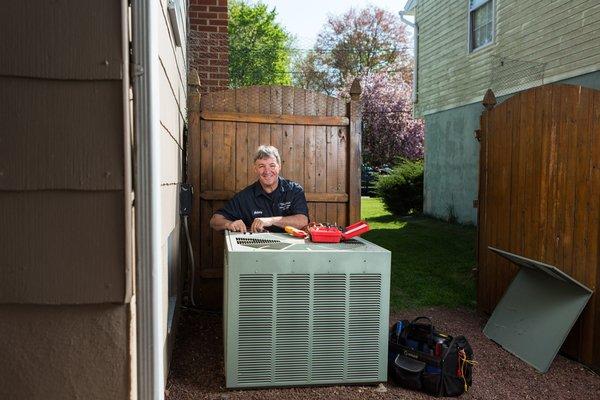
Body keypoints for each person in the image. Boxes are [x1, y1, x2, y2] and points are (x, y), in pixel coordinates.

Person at [209, 145, 309, 233]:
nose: (267, 171)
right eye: (261, 166)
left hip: (291, 251)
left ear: (279, 167)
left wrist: (269, 221)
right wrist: (230, 224)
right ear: (255, 169)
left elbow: (302, 221)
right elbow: (214, 220)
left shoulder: (294, 190)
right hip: (256, 250)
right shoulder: (245, 197)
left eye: (272, 165)